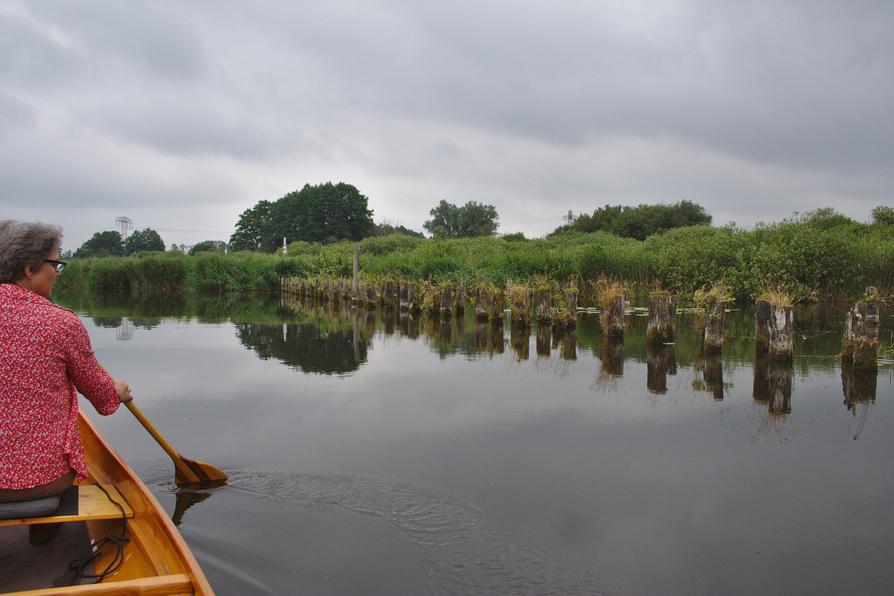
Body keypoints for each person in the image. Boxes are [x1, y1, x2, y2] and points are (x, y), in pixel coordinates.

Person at [0, 221, 132, 542]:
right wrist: (117, 391)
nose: (58, 272)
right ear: (29, 268)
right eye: (55, 263)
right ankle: (44, 533)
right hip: (39, 481)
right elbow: (103, 400)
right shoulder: (61, 323)